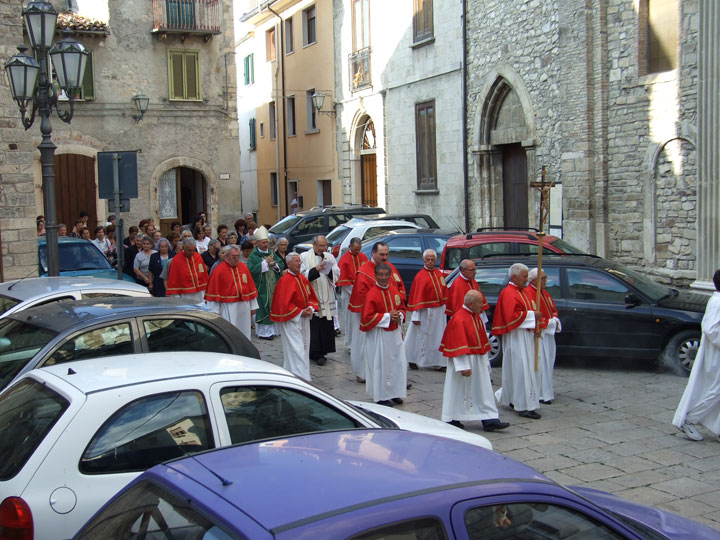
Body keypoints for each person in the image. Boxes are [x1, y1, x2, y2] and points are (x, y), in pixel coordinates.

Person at [440, 290, 510, 432]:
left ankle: (490, 420)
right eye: (480, 302)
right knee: (459, 391)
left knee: (483, 391)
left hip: (478, 361)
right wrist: (463, 366)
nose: (483, 305)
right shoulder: (460, 319)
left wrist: (485, 363)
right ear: (471, 304)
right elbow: (456, 344)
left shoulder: (474, 316)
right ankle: (452, 418)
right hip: (466, 362)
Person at [348, 242, 406, 383]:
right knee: (366, 345)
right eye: (381, 254)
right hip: (371, 316)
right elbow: (362, 294)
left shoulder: (389, 268)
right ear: (373, 253)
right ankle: (363, 373)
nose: (385, 257)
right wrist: (380, 307)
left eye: (386, 254)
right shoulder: (364, 271)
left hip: (390, 316)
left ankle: (393, 376)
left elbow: (400, 287)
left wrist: (397, 304)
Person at [672, 269, 720, 441]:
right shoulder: (717, 303)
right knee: (716, 391)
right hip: (716, 356)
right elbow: (711, 329)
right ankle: (689, 420)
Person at [492, 263, 543, 420]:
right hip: (516, 338)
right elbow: (511, 316)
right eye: (524, 276)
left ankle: (518, 400)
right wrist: (532, 316)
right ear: (514, 277)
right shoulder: (508, 293)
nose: (527, 280)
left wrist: (535, 322)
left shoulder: (522, 292)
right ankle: (523, 405)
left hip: (525, 335)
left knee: (525, 370)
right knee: (521, 371)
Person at [361, 263, 407, 407]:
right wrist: (387, 316)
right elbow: (366, 318)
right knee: (380, 365)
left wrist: (399, 315)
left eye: (386, 275)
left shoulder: (394, 291)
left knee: (397, 363)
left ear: (389, 275)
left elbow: (402, 309)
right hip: (379, 335)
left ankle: (395, 392)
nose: (383, 278)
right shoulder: (372, 294)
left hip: (394, 334)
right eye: (380, 275)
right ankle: (381, 395)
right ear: (375, 275)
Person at [270, 252, 319, 380]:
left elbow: (311, 296)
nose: (299, 263)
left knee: (303, 349)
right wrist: (299, 312)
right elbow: (283, 304)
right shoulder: (284, 281)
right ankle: (303, 380)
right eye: (296, 261)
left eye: (299, 261)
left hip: (304, 320)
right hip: (291, 321)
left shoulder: (302, 278)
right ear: (288, 263)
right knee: (296, 350)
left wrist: (310, 308)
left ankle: (293, 376)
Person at [405, 249, 448, 370]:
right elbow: (417, 297)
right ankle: (411, 358)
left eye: (432, 259)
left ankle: (438, 362)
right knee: (417, 336)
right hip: (424, 312)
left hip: (438, 312)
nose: (430, 262)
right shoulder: (420, 276)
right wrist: (416, 316)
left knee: (438, 337)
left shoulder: (439, 274)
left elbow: (443, 292)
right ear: (424, 260)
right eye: (428, 259)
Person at [300, 235, 340, 366]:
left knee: (325, 324)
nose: (323, 248)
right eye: (321, 246)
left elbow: (336, 273)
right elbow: (301, 275)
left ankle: (323, 351)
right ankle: (315, 352)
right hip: (312, 296)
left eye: (325, 245)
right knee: (314, 324)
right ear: (314, 245)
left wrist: (328, 271)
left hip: (326, 295)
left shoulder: (330, 257)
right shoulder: (304, 256)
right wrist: (316, 270)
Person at [205, 245, 259, 339]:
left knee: (245, 330)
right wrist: (215, 311)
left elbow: (250, 287)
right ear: (226, 256)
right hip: (229, 306)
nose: (237, 259)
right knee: (231, 331)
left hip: (244, 306)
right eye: (234, 256)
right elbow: (214, 291)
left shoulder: (243, 267)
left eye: (238, 256)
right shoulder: (219, 270)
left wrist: (253, 306)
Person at [527, 268, 561, 405]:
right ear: (534, 280)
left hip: (548, 333)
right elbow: (532, 314)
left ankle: (545, 391)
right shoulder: (529, 293)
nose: (546, 280)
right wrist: (544, 324)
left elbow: (553, 310)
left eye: (545, 278)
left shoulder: (544, 293)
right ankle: (539, 393)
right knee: (539, 364)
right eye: (543, 278)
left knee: (548, 363)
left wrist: (554, 319)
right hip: (538, 334)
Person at [247, 226, 282, 340]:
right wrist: (265, 263)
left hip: (273, 286)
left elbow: (280, 265)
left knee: (274, 306)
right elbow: (251, 270)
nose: (265, 245)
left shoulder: (272, 253)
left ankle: (274, 330)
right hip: (261, 288)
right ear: (257, 243)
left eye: (266, 242)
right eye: (263, 243)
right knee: (263, 306)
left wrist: (275, 265)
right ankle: (265, 332)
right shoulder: (254, 256)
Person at [337, 237, 368, 349]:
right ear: (350, 247)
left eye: (359, 249)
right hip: (349, 294)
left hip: (361, 294)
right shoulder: (344, 259)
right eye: (355, 249)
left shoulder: (363, 257)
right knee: (350, 320)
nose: (357, 252)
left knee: (359, 319)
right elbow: (344, 281)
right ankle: (350, 344)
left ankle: (359, 342)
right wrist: (356, 291)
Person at [163, 236, 209, 303]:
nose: (192, 253)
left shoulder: (198, 257)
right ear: (183, 248)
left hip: (200, 292)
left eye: (193, 250)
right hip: (185, 294)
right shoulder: (176, 260)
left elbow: (203, 273)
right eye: (189, 250)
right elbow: (174, 280)